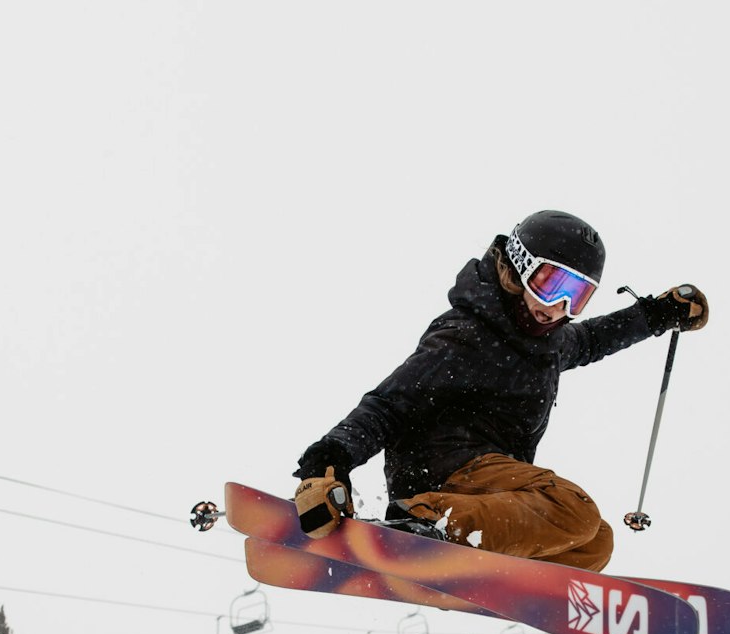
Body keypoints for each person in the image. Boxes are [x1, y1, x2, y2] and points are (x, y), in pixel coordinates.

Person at [291, 210, 708, 573]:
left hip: (487, 486)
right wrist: (326, 464)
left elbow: (593, 340)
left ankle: (475, 565)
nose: (558, 306)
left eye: (576, 296)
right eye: (550, 283)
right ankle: (427, 526)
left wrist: (657, 314)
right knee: (575, 509)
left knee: (597, 541)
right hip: (443, 472)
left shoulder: (546, 341)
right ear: (520, 267)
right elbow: (388, 405)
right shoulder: (467, 335)